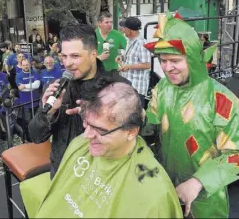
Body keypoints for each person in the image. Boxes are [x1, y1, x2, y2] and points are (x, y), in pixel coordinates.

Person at [20, 79, 183, 218]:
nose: (88, 135)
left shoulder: (154, 194)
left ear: (131, 131)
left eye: (100, 130)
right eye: (87, 123)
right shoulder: (80, 144)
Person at [143, 11, 239, 218]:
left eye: (175, 60)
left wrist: (197, 182)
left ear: (192, 57)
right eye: (163, 61)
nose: (167, 68)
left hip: (205, 203)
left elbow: (237, 155)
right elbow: (150, 128)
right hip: (164, 190)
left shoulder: (221, 99)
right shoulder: (162, 88)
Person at [28, 23, 130, 179]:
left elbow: (132, 135)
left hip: (99, 177)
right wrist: (48, 113)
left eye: (75, 56)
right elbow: (36, 136)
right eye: (64, 56)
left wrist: (99, 117)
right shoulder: (55, 87)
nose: (67, 63)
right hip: (61, 172)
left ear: (93, 54)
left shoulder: (117, 87)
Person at [116, 17, 151, 108]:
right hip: (128, 87)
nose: (123, 30)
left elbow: (147, 65)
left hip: (137, 89)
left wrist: (129, 67)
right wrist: (121, 57)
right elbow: (131, 57)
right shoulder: (130, 41)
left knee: (136, 117)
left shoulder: (141, 44)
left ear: (129, 30)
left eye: (124, 28)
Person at [16, 58, 41, 142]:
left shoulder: (35, 73)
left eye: (27, 64)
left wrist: (25, 86)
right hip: (25, 103)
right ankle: (29, 139)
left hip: (36, 102)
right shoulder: (18, 75)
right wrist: (31, 86)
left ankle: (38, 137)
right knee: (28, 122)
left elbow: (37, 85)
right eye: (23, 65)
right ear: (21, 66)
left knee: (37, 121)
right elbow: (21, 89)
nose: (25, 66)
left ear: (30, 64)